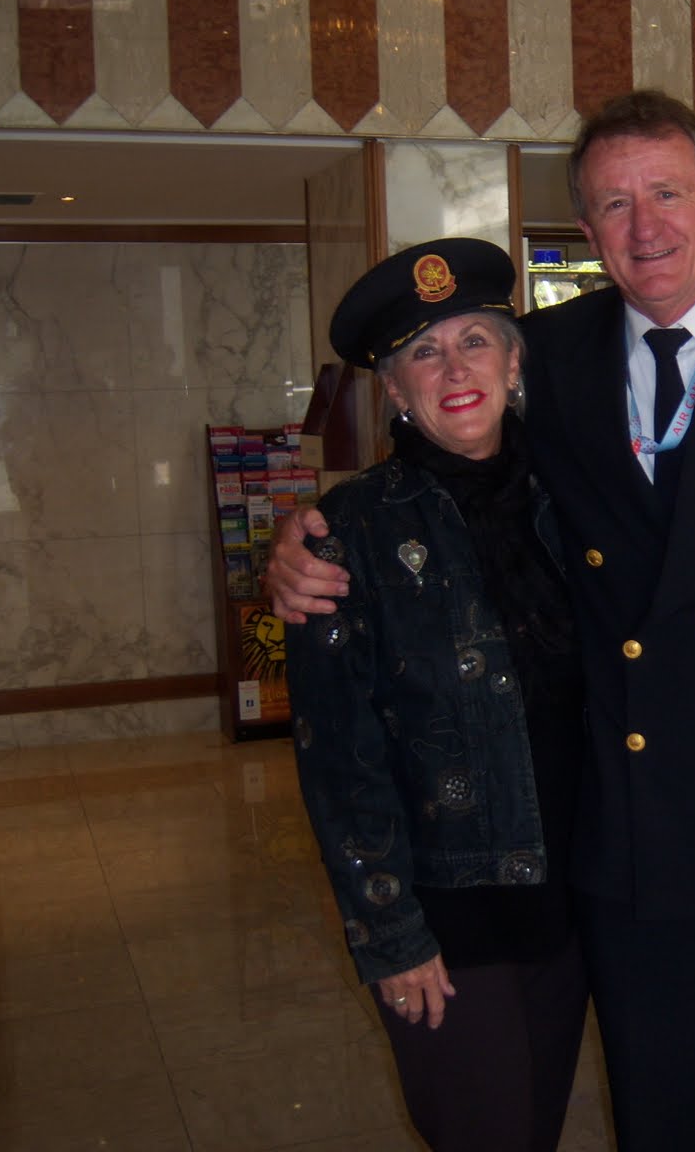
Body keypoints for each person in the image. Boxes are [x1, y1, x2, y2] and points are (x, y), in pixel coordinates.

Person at [269, 90, 695, 1152]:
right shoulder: (550, 353)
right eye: (614, 205)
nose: (645, 226)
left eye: (666, 193)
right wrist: (308, 539)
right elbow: (452, 467)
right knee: (660, 1117)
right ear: (585, 229)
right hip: (632, 823)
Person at [285, 237, 587, 1152]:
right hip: (450, 917)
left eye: (474, 341)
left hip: (577, 897)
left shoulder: (580, 495)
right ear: (394, 388)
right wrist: (389, 931)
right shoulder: (347, 533)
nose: (455, 370)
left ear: (513, 362)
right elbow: (339, 758)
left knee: (535, 1124)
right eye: (425, 352)